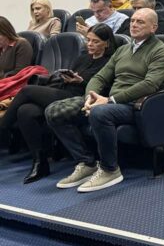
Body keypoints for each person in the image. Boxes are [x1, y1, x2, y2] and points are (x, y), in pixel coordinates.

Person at [45, 9, 164, 192]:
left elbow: (150, 85)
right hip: (109, 102)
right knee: (53, 111)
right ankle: (87, 162)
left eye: (140, 22)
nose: (134, 25)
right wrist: (90, 97)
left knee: (99, 112)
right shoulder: (123, 50)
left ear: (154, 27)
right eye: (132, 21)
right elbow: (100, 77)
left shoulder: (162, 51)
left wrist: (110, 100)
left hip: (136, 105)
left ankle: (110, 169)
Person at [0, 24, 116, 184]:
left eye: (95, 41)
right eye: (88, 40)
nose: (90, 44)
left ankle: (3, 126)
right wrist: (67, 78)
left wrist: (81, 82)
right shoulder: (83, 57)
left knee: (27, 91)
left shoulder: (110, 61)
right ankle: (40, 162)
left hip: (79, 98)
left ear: (106, 43)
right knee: (25, 111)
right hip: (63, 91)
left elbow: (104, 88)